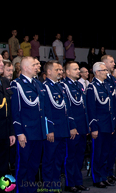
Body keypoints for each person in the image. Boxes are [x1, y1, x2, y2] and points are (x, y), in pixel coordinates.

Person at [11, 56, 53, 193]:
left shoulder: (38, 84)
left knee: (34, 165)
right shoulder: (17, 84)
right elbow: (15, 112)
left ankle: (31, 189)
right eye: (34, 64)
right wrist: (19, 132)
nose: (38, 67)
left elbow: (43, 110)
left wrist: (46, 129)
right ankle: (21, 190)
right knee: (23, 165)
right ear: (25, 67)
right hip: (26, 133)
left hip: (39, 132)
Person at [42, 60, 77, 191]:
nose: (60, 72)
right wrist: (49, 129)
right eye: (57, 70)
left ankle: (56, 185)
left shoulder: (60, 86)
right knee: (49, 161)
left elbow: (67, 108)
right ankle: (48, 187)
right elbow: (46, 111)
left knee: (58, 160)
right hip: (53, 131)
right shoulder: (45, 87)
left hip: (63, 130)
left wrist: (71, 126)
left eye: (61, 70)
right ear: (49, 71)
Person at [61, 61, 90, 192]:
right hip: (73, 127)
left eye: (78, 69)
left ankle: (78, 181)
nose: (78, 71)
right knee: (71, 156)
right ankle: (69, 182)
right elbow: (67, 109)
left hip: (82, 125)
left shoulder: (78, 85)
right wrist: (72, 126)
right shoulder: (64, 86)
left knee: (80, 156)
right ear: (67, 72)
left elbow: (83, 106)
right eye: (75, 69)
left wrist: (87, 125)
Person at [87, 62, 116, 188]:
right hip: (99, 126)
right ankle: (97, 178)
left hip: (108, 125)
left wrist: (113, 125)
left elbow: (111, 108)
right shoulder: (91, 87)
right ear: (97, 72)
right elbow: (91, 109)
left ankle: (104, 176)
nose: (106, 72)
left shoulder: (107, 86)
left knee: (105, 152)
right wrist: (94, 128)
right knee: (97, 153)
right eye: (104, 70)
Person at [0, 53, 15, 193]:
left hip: (5, 133)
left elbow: (10, 111)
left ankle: (5, 190)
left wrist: (12, 132)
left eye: (2, 61)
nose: (2, 64)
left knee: (3, 167)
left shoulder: (5, 82)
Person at [101, 55, 116, 183]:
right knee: (105, 150)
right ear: (104, 64)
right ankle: (103, 175)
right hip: (107, 121)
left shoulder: (111, 78)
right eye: (111, 61)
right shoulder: (104, 80)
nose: (114, 64)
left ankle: (109, 173)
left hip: (114, 120)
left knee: (113, 148)